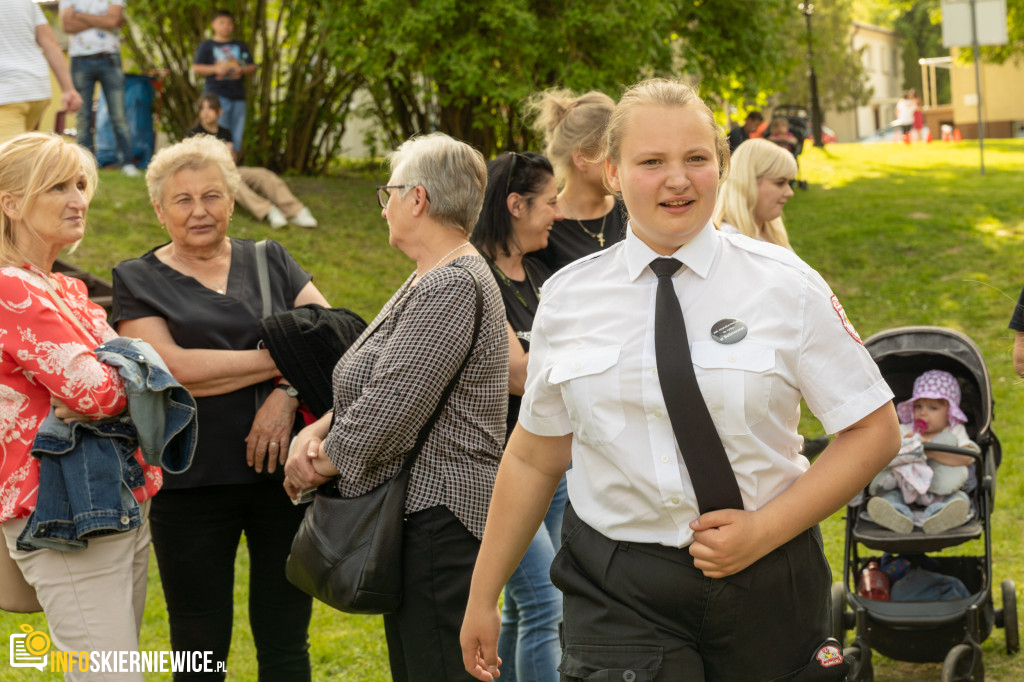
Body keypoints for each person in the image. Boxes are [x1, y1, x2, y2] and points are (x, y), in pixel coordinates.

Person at [461, 78, 901, 682]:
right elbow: (536, 456)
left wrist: (761, 531)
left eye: (696, 159)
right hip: (620, 591)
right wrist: (482, 594)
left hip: (770, 578)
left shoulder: (786, 285)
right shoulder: (567, 298)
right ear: (612, 172)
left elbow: (874, 430)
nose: (677, 179)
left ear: (720, 166)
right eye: (652, 162)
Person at [284, 132, 508, 682]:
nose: (383, 207)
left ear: (418, 199)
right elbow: (385, 381)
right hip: (423, 517)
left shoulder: (451, 283)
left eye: (388, 193)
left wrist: (316, 461)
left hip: (440, 519)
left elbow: (391, 409)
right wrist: (316, 433)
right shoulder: (431, 275)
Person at [110, 134, 329, 679]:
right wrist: (281, 358)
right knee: (198, 646)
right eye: (182, 200)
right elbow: (172, 370)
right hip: (191, 484)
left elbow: (338, 336)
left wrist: (289, 392)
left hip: (284, 478)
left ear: (233, 201)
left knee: (286, 638)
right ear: (160, 211)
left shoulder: (270, 258)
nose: (199, 210)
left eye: (212, 195)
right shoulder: (136, 279)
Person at [0, 132, 162, 677]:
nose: (79, 199)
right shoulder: (10, 290)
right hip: (61, 507)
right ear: (11, 203)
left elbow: (129, 377)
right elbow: (104, 389)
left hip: (115, 491)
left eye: (81, 184)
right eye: (58, 187)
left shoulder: (62, 288)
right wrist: (123, 374)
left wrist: (120, 375)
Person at [469, 151, 564, 682]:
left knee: (526, 604)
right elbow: (521, 376)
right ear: (515, 205)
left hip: (554, 464)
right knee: (546, 602)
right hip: (505, 468)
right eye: (549, 203)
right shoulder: (475, 279)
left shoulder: (542, 273)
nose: (557, 213)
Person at [867, 369, 979, 535]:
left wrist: (929, 449)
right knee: (888, 498)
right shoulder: (904, 429)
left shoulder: (955, 431)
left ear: (949, 412)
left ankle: (940, 515)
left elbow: (967, 459)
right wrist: (907, 444)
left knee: (958, 500)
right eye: (918, 406)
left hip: (942, 489)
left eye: (933, 408)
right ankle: (897, 513)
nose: (923, 412)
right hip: (903, 489)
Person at [526, 88, 626, 271]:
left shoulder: (630, 210)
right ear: (581, 159)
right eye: (612, 153)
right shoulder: (546, 229)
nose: (622, 162)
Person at [186, 93, 318, 229]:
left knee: (264, 175)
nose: (206, 112)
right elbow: (193, 162)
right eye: (202, 108)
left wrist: (226, 156)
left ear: (220, 111)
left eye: (210, 108)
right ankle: (269, 212)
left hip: (230, 169)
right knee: (234, 182)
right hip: (209, 177)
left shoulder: (226, 133)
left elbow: (231, 160)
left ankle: (297, 211)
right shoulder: (193, 133)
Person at [59, 0, 139, 177]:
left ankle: (127, 162)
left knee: (118, 116)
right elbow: (67, 25)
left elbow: (112, 21)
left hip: (109, 58)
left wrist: (79, 14)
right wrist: (102, 19)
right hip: (79, 60)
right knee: (83, 117)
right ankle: (83, 166)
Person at [0, 0, 83, 144]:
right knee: (21, 150)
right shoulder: (25, 3)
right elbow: (51, 44)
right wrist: (68, 89)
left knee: (9, 159)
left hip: (7, 93)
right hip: (36, 87)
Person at [192, 9, 256, 157]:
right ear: (213, 24)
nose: (226, 26)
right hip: (217, 95)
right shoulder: (207, 45)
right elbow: (196, 67)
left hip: (238, 96)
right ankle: (216, 167)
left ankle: (232, 169)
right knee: (218, 133)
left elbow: (252, 66)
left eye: (229, 23)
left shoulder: (240, 45)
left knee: (236, 136)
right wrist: (216, 69)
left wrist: (241, 70)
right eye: (222, 22)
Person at [714, 138, 797, 250]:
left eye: (789, 183)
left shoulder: (772, 230)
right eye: (780, 183)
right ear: (748, 183)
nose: (790, 193)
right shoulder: (729, 245)